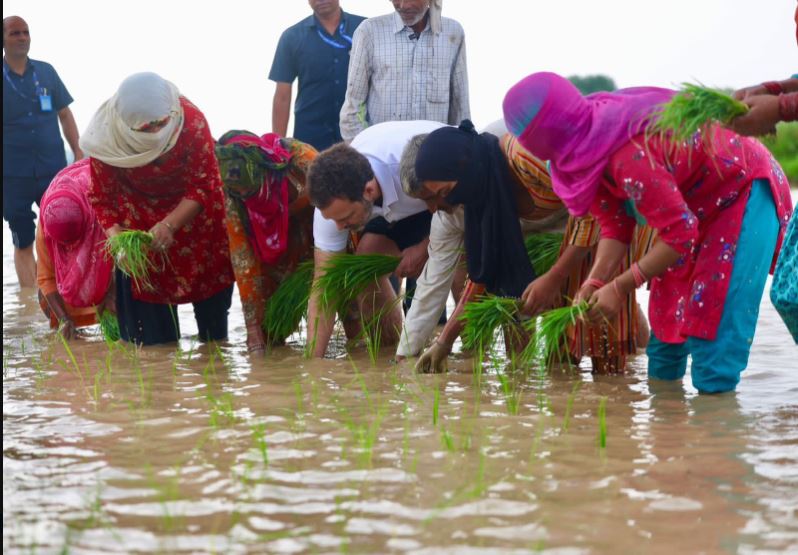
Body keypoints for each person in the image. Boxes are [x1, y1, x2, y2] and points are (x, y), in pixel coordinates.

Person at [503, 72, 793, 394]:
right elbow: (615, 226)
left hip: (741, 189)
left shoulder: (628, 152)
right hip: (688, 205)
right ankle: (667, 436)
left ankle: (716, 430)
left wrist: (621, 286)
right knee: (665, 339)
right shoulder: (582, 161)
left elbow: (680, 235)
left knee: (713, 335)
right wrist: (596, 282)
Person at [402, 121, 652, 373]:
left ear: (461, 167)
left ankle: (646, 384)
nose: (439, 205)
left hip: (611, 213)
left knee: (606, 338)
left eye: (443, 192)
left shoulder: (524, 155)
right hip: (568, 231)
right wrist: (443, 343)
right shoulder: (479, 200)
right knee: (561, 357)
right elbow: (481, 276)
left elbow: (592, 212)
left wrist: (555, 277)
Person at [81, 72, 235, 346]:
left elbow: (205, 185)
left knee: (215, 345)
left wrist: (169, 225)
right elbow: (102, 199)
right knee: (155, 349)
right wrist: (118, 242)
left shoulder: (191, 121)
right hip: (141, 236)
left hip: (197, 225)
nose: (155, 131)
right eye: (144, 128)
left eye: (160, 123)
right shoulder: (107, 137)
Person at [306, 120, 443, 357]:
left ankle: (472, 359)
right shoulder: (330, 209)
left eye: (346, 217)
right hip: (399, 207)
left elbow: (465, 216)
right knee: (364, 266)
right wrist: (312, 365)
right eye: (334, 220)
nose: (340, 227)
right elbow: (324, 288)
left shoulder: (412, 164)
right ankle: (388, 358)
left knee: (462, 267)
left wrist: (424, 248)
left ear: (368, 191)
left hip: (448, 196)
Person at [215, 130, 317, 353]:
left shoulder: (301, 159)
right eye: (237, 190)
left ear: (262, 170)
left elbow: (337, 201)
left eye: (248, 187)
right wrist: (252, 329)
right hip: (272, 246)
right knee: (269, 330)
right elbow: (242, 259)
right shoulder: (233, 197)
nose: (244, 193)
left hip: (318, 230)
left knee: (349, 305)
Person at [3, 16, 82, 288]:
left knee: (63, 233)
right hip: (12, 176)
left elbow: (64, 113)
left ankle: (65, 298)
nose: (22, 37)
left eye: (25, 32)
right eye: (15, 33)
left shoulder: (46, 71)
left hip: (53, 170)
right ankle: (32, 308)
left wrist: (79, 153)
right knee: (23, 239)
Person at [338, 0, 469, 141]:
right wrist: (366, 153)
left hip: (434, 156)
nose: (403, 5)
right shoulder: (369, 31)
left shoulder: (453, 32)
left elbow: (460, 109)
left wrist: (461, 151)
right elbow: (353, 108)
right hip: (385, 155)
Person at [269, 0, 366, 151]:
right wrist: (277, 148)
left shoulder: (364, 29)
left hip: (359, 135)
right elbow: (282, 96)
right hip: (310, 139)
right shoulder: (292, 37)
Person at [35, 159, 114, 339]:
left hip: (107, 261)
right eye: (65, 246)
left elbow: (124, 256)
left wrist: (112, 292)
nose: (71, 249)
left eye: (75, 243)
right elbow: (46, 278)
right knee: (47, 297)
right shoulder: (47, 223)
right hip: (67, 294)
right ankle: (72, 325)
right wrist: (64, 320)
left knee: (122, 305)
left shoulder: (101, 207)